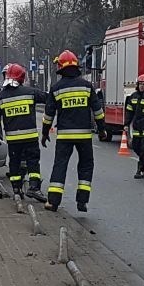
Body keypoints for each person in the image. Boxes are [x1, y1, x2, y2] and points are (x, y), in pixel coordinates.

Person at [41, 49, 107, 212]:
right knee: (86, 165)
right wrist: (102, 129)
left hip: (64, 136)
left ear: (61, 68)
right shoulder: (87, 86)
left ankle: (53, 201)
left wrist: (44, 133)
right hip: (84, 135)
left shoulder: (56, 88)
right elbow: (97, 110)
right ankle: (82, 201)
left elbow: (49, 114)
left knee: (60, 165)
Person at [0, 62, 47, 202]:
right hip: (30, 138)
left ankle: (16, 189)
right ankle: (34, 188)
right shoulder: (30, 92)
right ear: (22, 78)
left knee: (14, 163)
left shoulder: (0, 97)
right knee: (33, 162)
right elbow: (48, 98)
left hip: (13, 140)